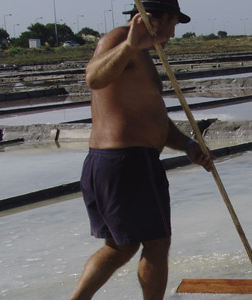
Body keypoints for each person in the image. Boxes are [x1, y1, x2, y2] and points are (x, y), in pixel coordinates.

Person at [69, 1, 208, 299]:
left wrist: (186, 144)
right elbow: (93, 77)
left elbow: (150, 115)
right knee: (156, 243)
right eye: (174, 23)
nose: (174, 32)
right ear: (161, 18)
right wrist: (129, 45)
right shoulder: (120, 39)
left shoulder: (143, 51)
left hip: (111, 163)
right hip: (128, 161)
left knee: (120, 246)